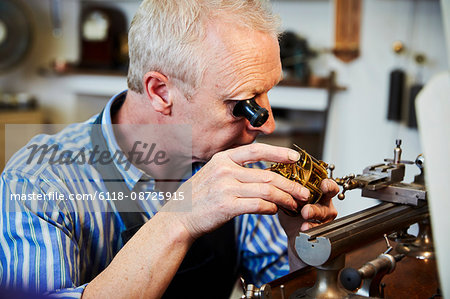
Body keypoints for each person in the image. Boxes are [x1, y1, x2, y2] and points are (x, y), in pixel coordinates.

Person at [0, 1, 338, 298]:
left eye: (267, 94)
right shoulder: (39, 183)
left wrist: (299, 241)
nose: (267, 125)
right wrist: (181, 218)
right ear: (161, 92)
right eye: (243, 106)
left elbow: (285, 289)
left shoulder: (235, 165)